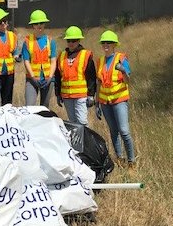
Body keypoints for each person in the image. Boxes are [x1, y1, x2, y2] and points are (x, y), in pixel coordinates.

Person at [95, 30, 136, 171]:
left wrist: (123, 70)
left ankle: (131, 163)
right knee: (113, 131)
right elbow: (99, 83)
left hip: (119, 100)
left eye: (109, 43)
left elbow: (128, 81)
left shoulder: (121, 58)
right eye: (104, 43)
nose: (106, 45)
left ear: (114, 45)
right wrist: (97, 102)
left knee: (124, 131)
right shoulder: (100, 61)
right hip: (105, 102)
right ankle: (120, 159)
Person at [55, 26, 96, 126]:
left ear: (79, 40)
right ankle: (76, 142)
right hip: (67, 96)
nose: (71, 43)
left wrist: (91, 95)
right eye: (69, 40)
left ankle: (86, 141)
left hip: (81, 95)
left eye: (74, 40)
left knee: (82, 122)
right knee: (72, 123)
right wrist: (58, 94)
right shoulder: (62, 56)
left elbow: (91, 77)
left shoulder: (85, 55)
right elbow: (57, 77)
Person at [22, 9, 57, 107]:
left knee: (44, 108)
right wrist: (33, 77)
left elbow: (53, 61)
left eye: (41, 23)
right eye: (36, 23)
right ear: (33, 25)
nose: (39, 25)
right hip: (32, 79)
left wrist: (50, 77)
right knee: (29, 107)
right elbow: (26, 61)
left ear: (44, 24)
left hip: (47, 79)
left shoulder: (51, 41)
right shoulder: (27, 41)